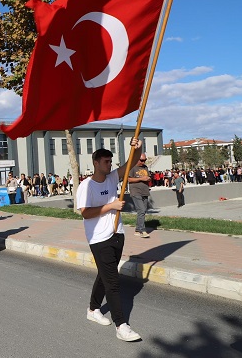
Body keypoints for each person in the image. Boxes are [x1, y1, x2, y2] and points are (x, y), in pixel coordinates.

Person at [76, 137, 143, 342]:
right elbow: (85, 213)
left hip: (117, 234)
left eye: (110, 161)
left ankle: (93, 309)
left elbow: (130, 163)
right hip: (98, 239)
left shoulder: (112, 178)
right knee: (113, 282)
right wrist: (111, 206)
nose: (109, 164)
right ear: (96, 163)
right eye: (106, 161)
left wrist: (138, 149)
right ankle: (121, 325)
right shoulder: (86, 186)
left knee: (106, 275)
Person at [128, 154, 151, 238]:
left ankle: (137, 230)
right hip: (136, 191)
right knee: (141, 209)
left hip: (145, 191)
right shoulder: (132, 167)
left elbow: (148, 176)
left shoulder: (145, 167)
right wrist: (141, 179)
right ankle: (142, 230)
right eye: (141, 160)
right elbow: (129, 179)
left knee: (143, 210)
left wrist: (148, 178)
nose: (143, 162)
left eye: (145, 160)